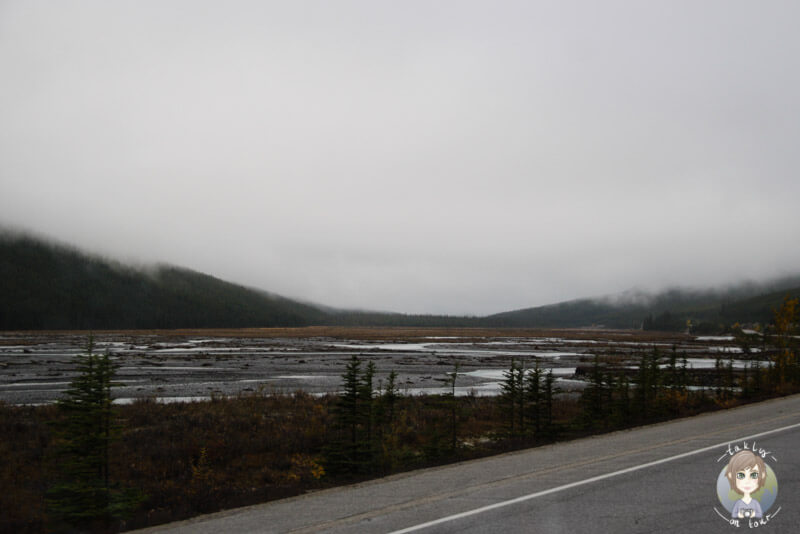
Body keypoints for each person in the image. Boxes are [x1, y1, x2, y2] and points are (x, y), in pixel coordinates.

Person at [725, 450, 767, 519]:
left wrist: (753, 514)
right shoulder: (738, 503)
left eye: (754, 475)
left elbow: (760, 514)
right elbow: (733, 514)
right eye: (741, 475)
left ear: (762, 475)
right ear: (731, 476)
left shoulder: (755, 503)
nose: (747, 481)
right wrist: (739, 514)